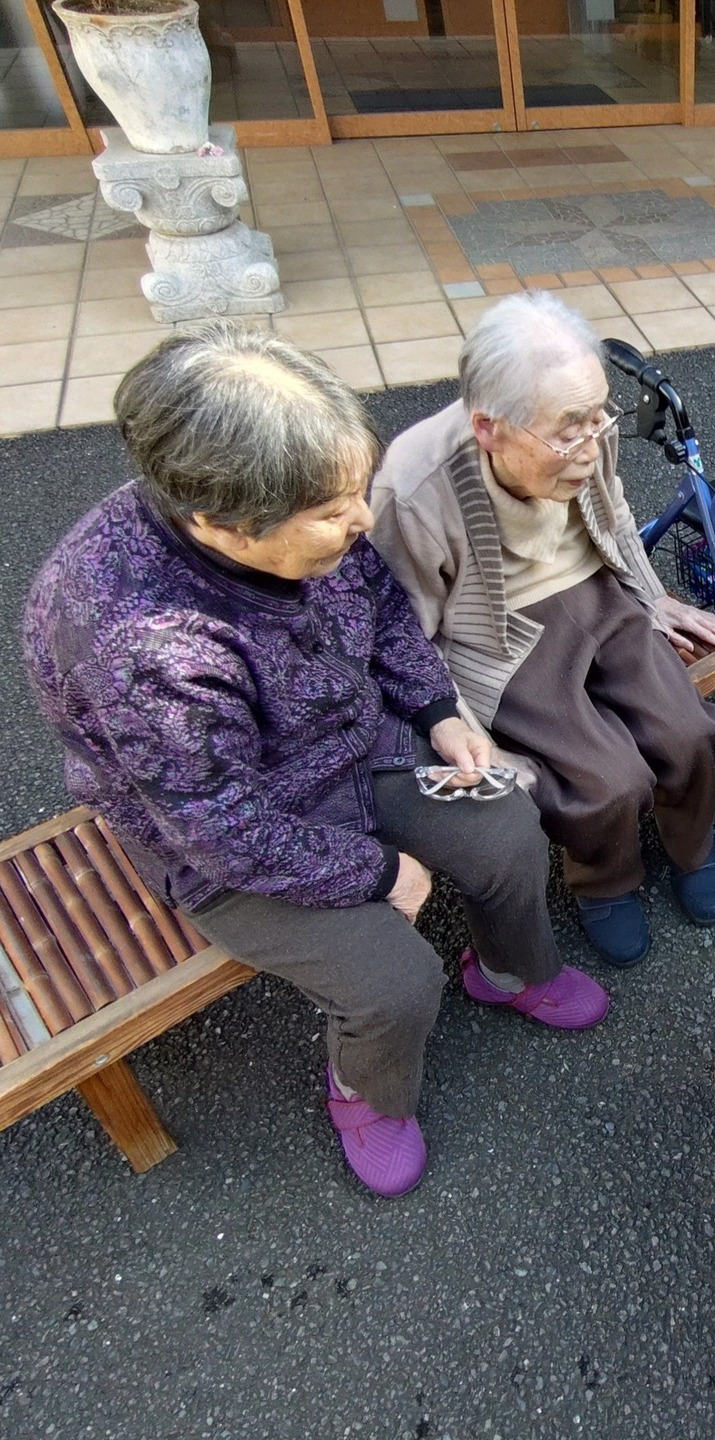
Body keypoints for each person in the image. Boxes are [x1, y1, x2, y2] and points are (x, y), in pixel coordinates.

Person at [23, 324, 609, 1199]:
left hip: (349, 742)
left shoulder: (281, 492)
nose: (362, 519)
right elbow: (223, 830)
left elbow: (378, 602)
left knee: (505, 827)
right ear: (220, 523)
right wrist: (382, 873)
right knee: (395, 983)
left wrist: (438, 712)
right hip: (223, 843)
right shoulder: (138, 641)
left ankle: (509, 969)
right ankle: (366, 1093)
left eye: (355, 492)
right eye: (335, 514)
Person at [370, 292, 715, 968]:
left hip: (596, 590)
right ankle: (604, 880)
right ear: (489, 428)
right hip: (497, 632)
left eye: (601, 413)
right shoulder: (414, 484)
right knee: (606, 779)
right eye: (570, 427)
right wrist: (468, 735)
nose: (593, 439)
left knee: (691, 731)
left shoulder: (590, 422)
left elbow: (614, 510)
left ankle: (694, 839)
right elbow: (405, 635)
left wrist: (652, 595)